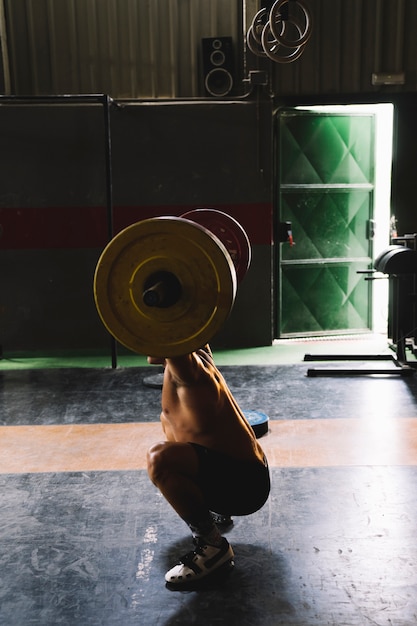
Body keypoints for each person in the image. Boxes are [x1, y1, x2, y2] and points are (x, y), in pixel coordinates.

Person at [146, 344, 271, 586]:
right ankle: (216, 508)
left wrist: (167, 325)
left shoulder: (190, 372)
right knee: (177, 434)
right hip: (246, 471)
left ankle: (213, 547)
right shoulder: (197, 353)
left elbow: (177, 338)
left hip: (244, 487)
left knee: (159, 458)